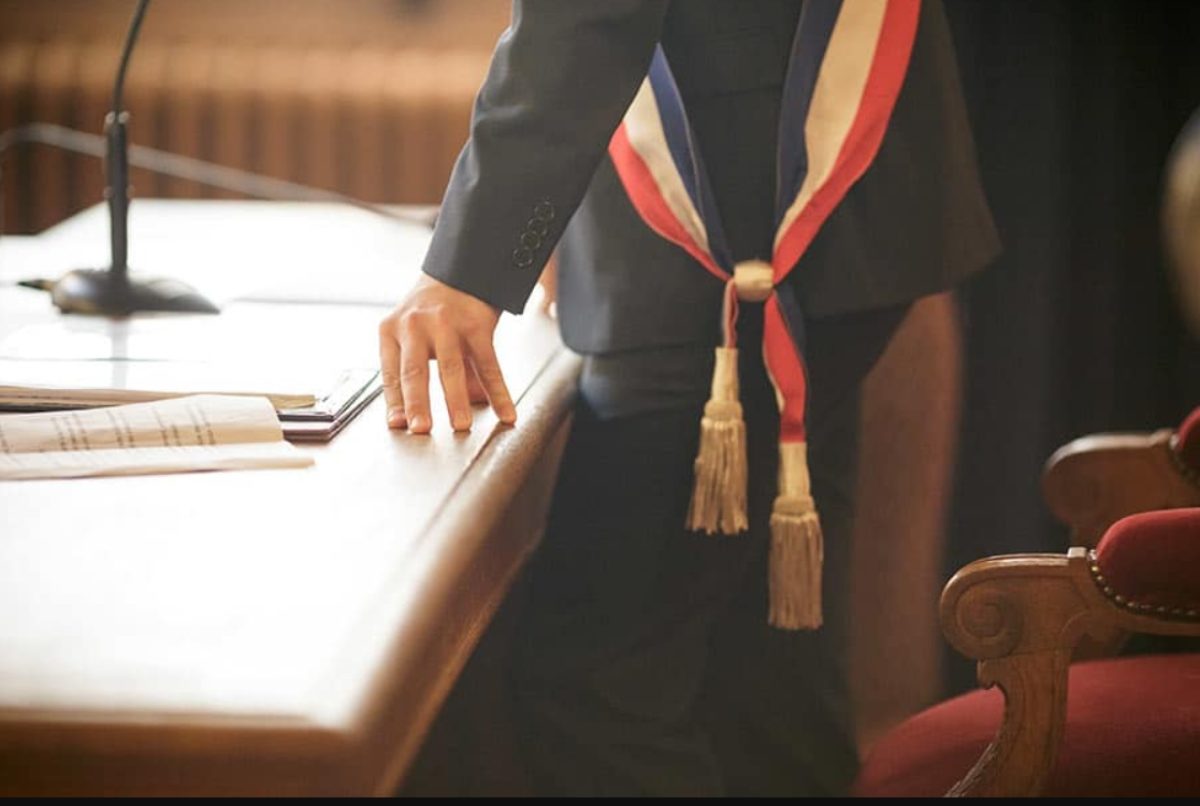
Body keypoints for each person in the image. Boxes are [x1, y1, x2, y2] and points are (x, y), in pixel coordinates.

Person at [378, 0, 999, 796]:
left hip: (745, 221)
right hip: (785, 210)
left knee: (592, 687)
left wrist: (469, 266)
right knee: (761, 679)